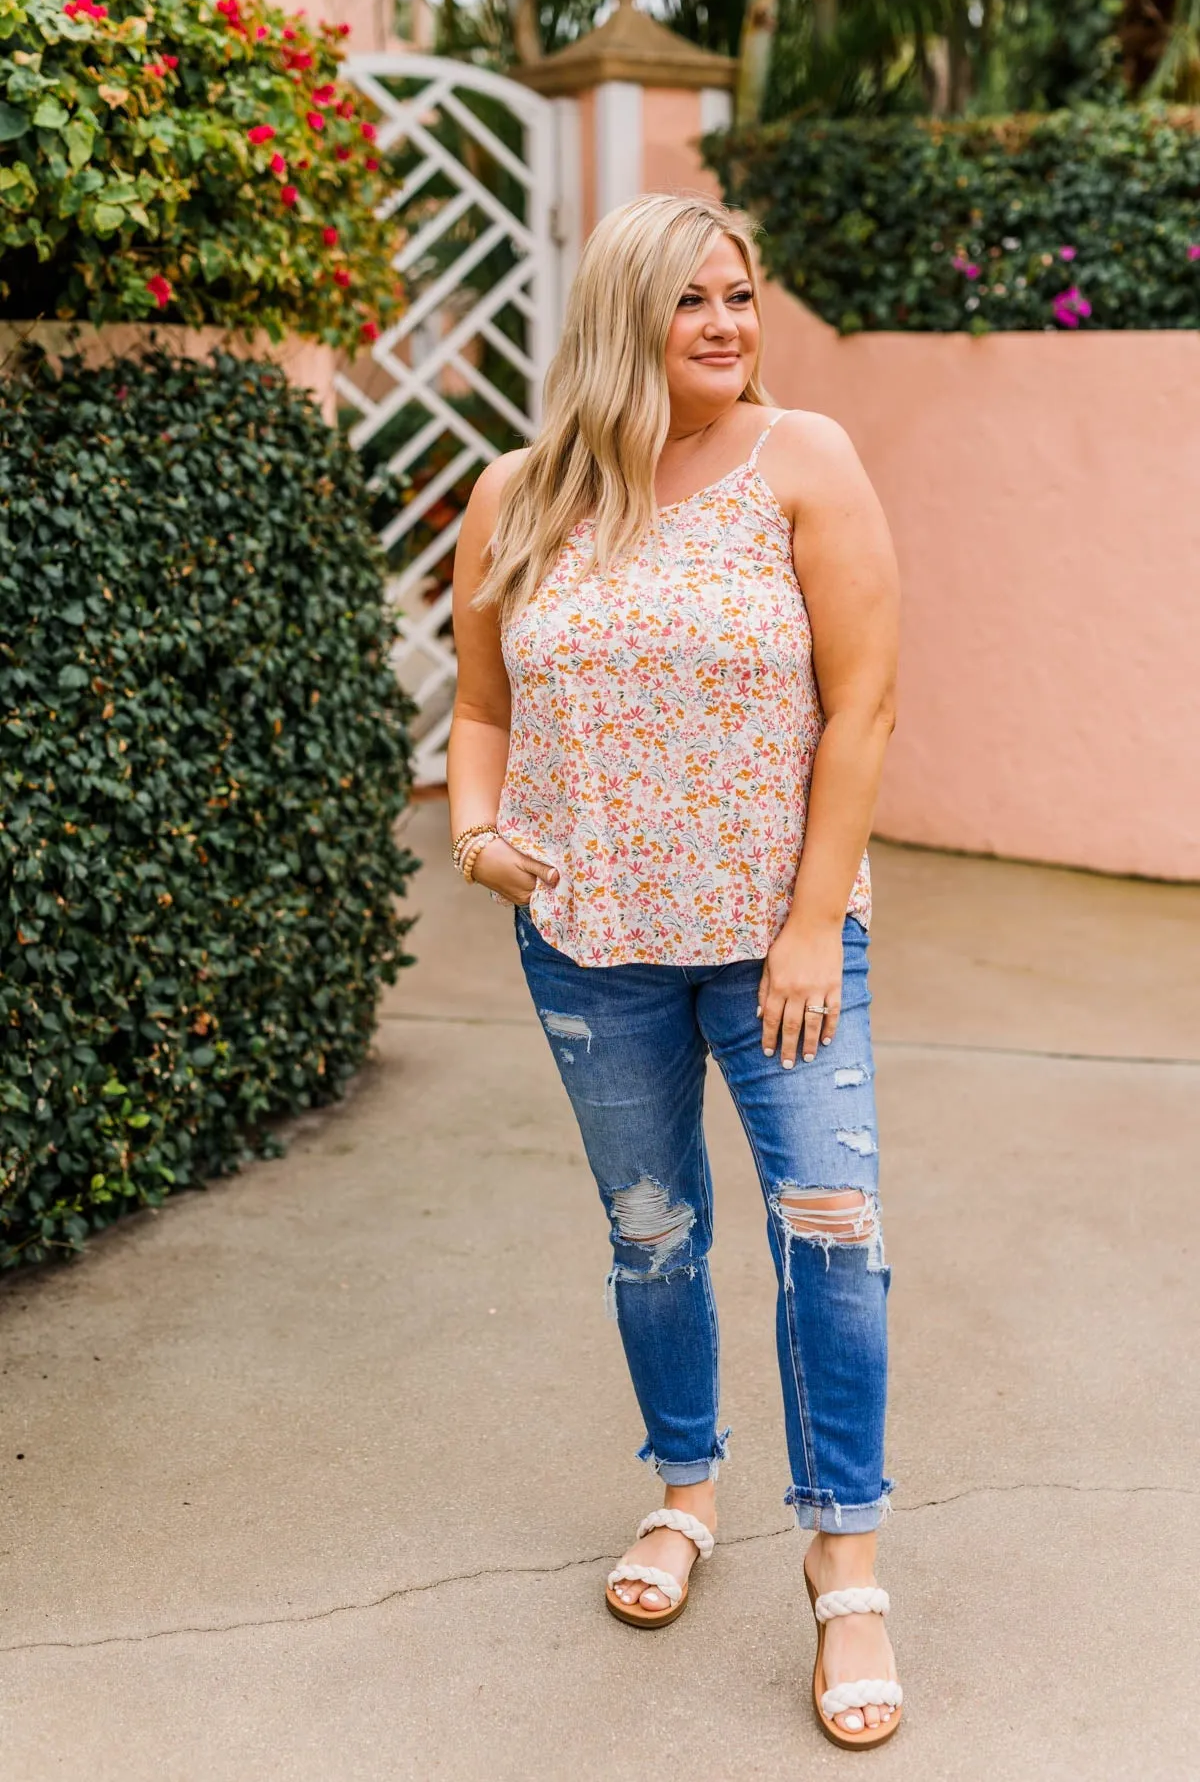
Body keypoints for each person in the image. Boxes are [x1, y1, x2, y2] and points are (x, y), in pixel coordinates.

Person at [446, 193, 902, 1751]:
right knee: (653, 1237)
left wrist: (807, 922)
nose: (726, 323)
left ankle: (846, 1565)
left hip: (784, 947)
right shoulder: (517, 498)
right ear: (621, 317)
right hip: (590, 945)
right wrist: (478, 829)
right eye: (692, 299)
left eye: (742, 295)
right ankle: (686, 1497)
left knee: (831, 1229)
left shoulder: (806, 463)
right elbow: (484, 701)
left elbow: (866, 707)